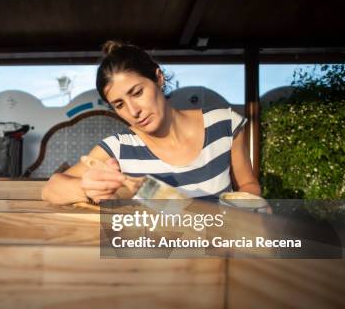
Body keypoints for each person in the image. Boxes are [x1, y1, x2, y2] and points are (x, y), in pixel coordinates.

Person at [42, 41, 261, 205]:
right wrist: (86, 188)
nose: (133, 111)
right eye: (119, 104)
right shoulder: (119, 148)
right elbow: (51, 189)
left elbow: (248, 185)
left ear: (158, 79)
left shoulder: (224, 124)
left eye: (137, 93)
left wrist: (249, 208)